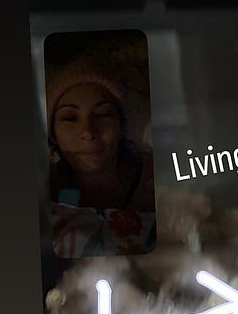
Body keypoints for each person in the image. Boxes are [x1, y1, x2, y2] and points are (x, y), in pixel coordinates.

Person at [46, 58, 156, 256]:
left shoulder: (156, 178)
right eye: (70, 118)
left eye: (103, 114)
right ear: (53, 133)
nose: (88, 131)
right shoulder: (46, 191)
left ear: (121, 126)